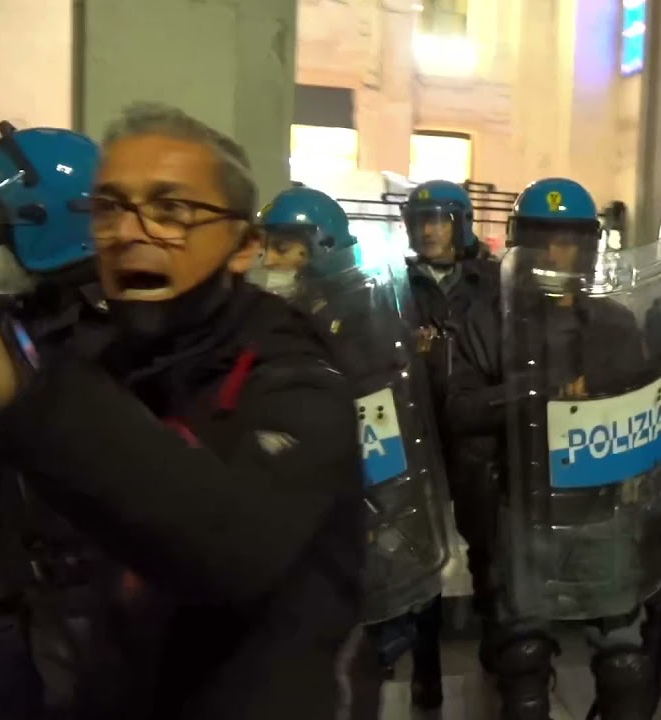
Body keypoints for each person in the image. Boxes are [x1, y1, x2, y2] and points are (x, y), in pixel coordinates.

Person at [0, 102, 366, 719]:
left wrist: (9, 390)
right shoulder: (119, 360)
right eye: (109, 207)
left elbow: (229, 547)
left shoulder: (300, 381)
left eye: (172, 210)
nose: (129, 231)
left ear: (244, 247)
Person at [447, 177, 661, 719]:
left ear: (589, 246)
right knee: (522, 657)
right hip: (526, 509)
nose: (558, 253)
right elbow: (460, 410)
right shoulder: (486, 321)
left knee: (625, 662)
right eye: (545, 240)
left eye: (570, 241)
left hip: (603, 510)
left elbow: (647, 410)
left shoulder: (617, 323)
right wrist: (534, 393)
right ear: (522, 246)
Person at [249, 185, 452, 718]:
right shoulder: (271, 316)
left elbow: (379, 414)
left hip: (362, 505)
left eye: (284, 247)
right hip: (297, 516)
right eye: (266, 245)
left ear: (322, 249)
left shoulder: (361, 318)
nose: (268, 260)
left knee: (359, 659)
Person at [0, 123, 107, 719]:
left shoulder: (92, 338)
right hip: (35, 569)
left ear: (45, 220)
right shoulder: (29, 316)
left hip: (83, 585)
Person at [400, 179, 502, 706]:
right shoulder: (397, 283)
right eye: (420, 222)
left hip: (478, 433)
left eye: (438, 220)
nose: (429, 231)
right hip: (420, 431)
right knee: (423, 555)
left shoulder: (494, 281)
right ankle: (425, 667)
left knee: (488, 549)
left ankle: (495, 647)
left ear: (460, 223)